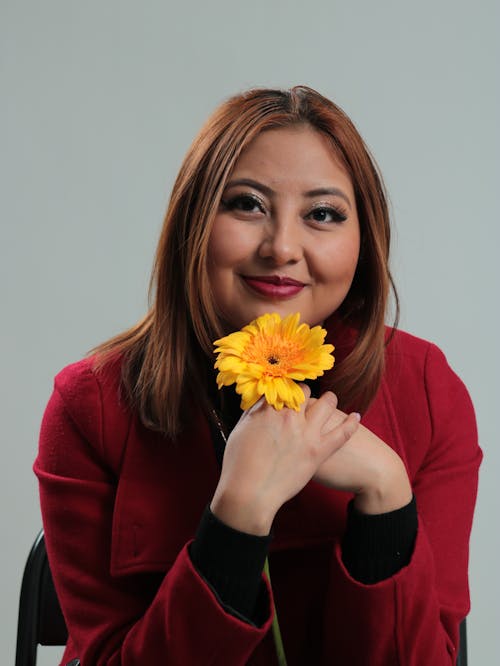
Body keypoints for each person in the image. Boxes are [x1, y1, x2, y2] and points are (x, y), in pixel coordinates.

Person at [35, 86, 481, 666]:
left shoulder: (427, 390)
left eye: (322, 214)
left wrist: (389, 496)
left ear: (364, 243)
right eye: (247, 204)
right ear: (193, 221)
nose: (282, 248)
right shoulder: (92, 405)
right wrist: (239, 512)